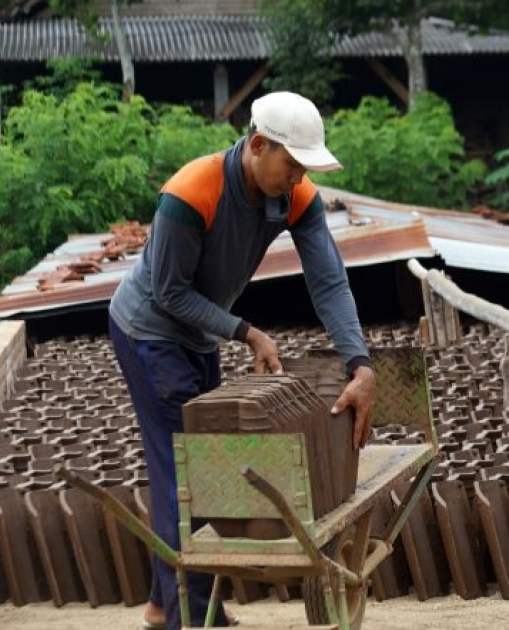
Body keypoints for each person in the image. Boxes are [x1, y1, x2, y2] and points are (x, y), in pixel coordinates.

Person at [107, 91, 377, 629]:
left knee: (200, 464)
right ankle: (190, 615)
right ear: (257, 145)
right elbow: (168, 293)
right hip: (150, 333)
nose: (299, 177)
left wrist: (360, 363)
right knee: (185, 472)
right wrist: (247, 332)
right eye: (292, 164)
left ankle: (165, 605)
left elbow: (328, 282)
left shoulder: (295, 196)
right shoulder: (191, 191)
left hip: (201, 339)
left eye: (305, 168)